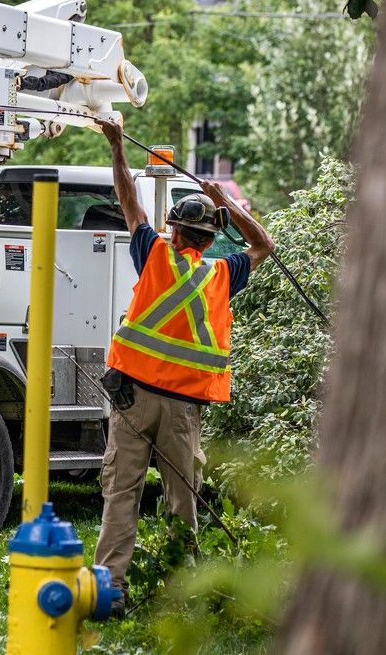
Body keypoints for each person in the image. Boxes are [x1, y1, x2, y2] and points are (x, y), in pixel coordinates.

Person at [93, 119, 275, 617]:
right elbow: (264, 246)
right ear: (209, 237)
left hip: (130, 401)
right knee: (182, 502)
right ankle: (183, 598)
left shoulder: (152, 254)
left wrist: (115, 144)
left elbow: (128, 196)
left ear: (173, 230)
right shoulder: (221, 274)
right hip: (182, 413)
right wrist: (225, 201)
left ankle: (110, 592)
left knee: (121, 496)